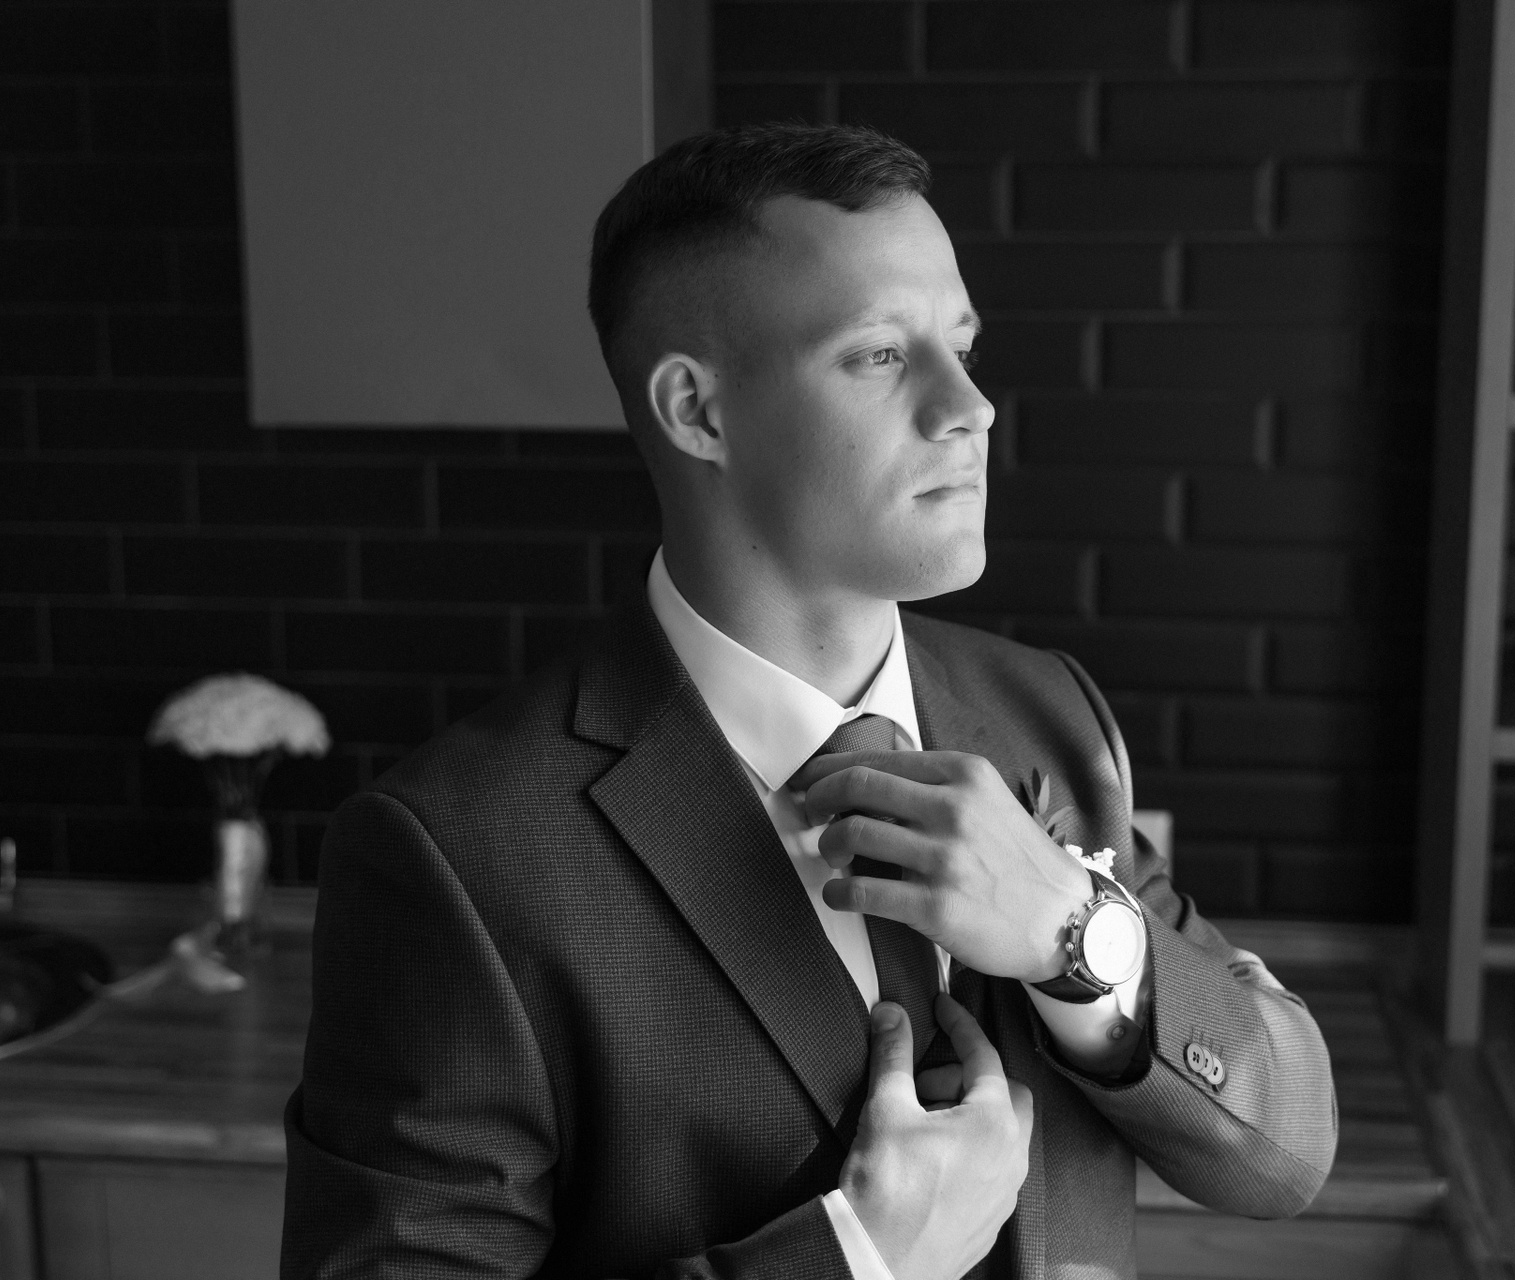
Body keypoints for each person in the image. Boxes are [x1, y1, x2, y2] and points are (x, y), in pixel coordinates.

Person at [282, 122, 1336, 1280]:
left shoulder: (1045, 711)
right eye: (879, 354)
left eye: (963, 346)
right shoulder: (459, 852)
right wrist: (856, 1259)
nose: (970, 406)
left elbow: (1288, 1150)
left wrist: (1074, 933)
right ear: (698, 411)